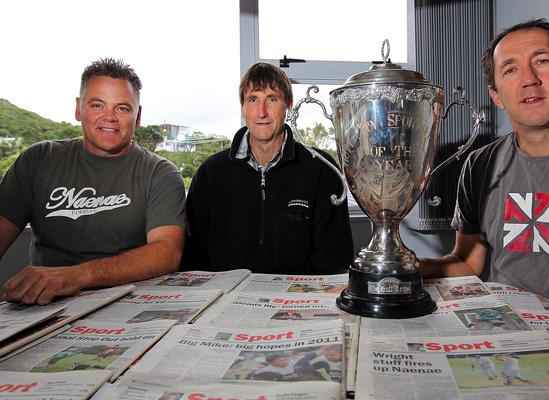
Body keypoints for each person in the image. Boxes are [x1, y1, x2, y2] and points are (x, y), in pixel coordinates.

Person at [421, 19, 549, 313]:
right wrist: (409, 266)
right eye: (511, 69)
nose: (529, 79)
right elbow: (468, 262)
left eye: (542, 61)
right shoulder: (480, 165)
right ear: (496, 96)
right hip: (501, 323)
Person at [0, 58, 186, 305]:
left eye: (122, 108)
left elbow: (167, 252)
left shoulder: (160, 172)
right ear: (79, 109)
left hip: (130, 303)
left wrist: (75, 276)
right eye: (98, 105)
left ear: (137, 115)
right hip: (45, 306)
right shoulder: (37, 160)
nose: (109, 117)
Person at [183, 62, 353, 274]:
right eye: (253, 99)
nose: (261, 112)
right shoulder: (210, 173)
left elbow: (335, 258)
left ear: (288, 105)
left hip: (296, 301)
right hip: (225, 299)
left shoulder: (322, 170)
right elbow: (192, 257)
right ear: (243, 107)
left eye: (271, 99)